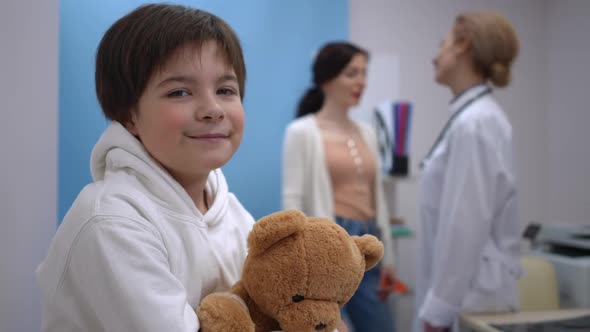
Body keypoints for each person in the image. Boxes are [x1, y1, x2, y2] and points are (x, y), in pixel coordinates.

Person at [36, 4, 255, 331]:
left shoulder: (233, 214)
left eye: (225, 90)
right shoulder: (112, 220)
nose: (212, 109)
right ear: (129, 116)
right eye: (179, 92)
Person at [416, 11, 522, 332]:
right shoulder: (471, 119)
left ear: (463, 46)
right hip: (465, 291)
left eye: (442, 44)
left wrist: (440, 310)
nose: (436, 56)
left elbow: (465, 224)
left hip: (470, 296)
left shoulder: (475, 123)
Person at [282, 42, 396, 332]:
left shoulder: (368, 133)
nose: (362, 81)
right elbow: (291, 200)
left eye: (364, 73)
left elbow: (377, 197)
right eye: (352, 73)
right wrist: (302, 262)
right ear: (326, 79)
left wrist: (389, 258)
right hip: (330, 245)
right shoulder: (302, 132)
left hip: (371, 242)